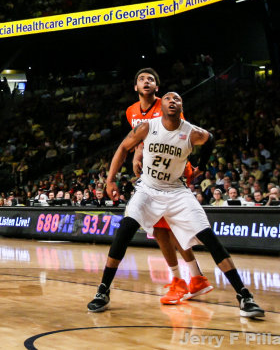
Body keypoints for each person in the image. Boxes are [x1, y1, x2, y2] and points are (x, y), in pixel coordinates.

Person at [87, 92, 264, 318]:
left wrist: (200, 165)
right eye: (168, 98)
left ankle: (244, 295)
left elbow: (210, 139)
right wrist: (110, 179)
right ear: (161, 105)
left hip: (177, 191)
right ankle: (103, 290)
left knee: (210, 238)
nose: (172, 101)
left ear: (181, 107)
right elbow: (123, 148)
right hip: (148, 189)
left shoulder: (191, 131)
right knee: (125, 230)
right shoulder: (147, 127)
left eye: (177, 99)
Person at [126, 68, 212, 305]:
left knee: (169, 231)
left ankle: (183, 280)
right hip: (153, 175)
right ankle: (193, 278)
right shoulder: (131, 111)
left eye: (151, 79)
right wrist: (136, 155)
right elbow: (140, 139)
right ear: (135, 86)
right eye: (141, 78)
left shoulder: (168, 106)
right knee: (163, 231)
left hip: (172, 176)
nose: (146, 82)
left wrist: (196, 167)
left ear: (157, 88)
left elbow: (182, 138)